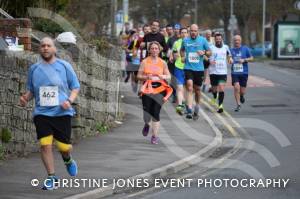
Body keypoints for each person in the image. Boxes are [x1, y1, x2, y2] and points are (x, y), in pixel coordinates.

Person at [20, 37, 80, 190]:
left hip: (62, 113)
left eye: (48, 45)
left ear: (54, 49)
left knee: (64, 147)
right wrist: (25, 98)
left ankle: (67, 160)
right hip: (42, 113)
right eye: (42, 46)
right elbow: (32, 90)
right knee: (45, 145)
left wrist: (70, 101)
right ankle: (52, 177)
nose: (45, 48)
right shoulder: (34, 69)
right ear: (40, 49)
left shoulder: (64, 66)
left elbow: (75, 87)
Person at [137, 41, 172, 144]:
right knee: (147, 114)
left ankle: (154, 136)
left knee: (156, 112)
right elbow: (138, 76)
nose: (154, 50)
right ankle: (146, 124)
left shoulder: (163, 62)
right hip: (147, 90)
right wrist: (145, 77)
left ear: (159, 50)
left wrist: (163, 76)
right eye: (152, 48)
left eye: (156, 48)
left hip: (160, 90)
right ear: (149, 50)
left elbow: (169, 76)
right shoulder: (144, 62)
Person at [180, 24, 211, 120]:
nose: (193, 32)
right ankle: (189, 109)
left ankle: (197, 106)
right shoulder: (185, 40)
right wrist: (182, 56)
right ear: (189, 31)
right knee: (189, 86)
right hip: (188, 67)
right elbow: (182, 50)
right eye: (191, 31)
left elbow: (210, 52)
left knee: (197, 89)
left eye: (195, 31)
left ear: (198, 31)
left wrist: (204, 53)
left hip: (199, 69)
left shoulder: (203, 40)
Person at [209, 33, 233, 113]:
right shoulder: (211, 47)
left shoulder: (226, 47)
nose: (218, 40)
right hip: (213, 72)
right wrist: (210, 61)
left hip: (223, 72)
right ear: (215, 40)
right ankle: (215, 96)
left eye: (220, 39)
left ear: (221, 39)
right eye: (217, 39)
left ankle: (220, 106)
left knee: (222, 88)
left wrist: (230, 59)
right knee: (214, 89)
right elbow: (206, 56)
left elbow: (229, 55)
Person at [230, 35, 253, 112]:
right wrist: (230, 60)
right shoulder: (231, 50)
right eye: (235, 40)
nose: (236, 41)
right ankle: (238, 104)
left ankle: (242, 95)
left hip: (244, 72)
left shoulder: (245, 49)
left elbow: (251, 58)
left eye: (238, 40)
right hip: (235, 72)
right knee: (236, 87)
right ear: (233, 41)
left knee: (242, 91)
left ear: (241, 41)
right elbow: (228, 58)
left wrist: (244, 60)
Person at [172, 27, 189, 115]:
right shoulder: (176, 43)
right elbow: (174, 54)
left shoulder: (191, 43)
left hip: (189, 68)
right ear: (180, 34)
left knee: (187, 89)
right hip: (178, 67)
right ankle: (180, 105)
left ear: (187, 33)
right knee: (179, 87)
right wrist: (175, 57)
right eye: (182, 32)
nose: (183, 34)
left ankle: (187, 105)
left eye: (185, 32)